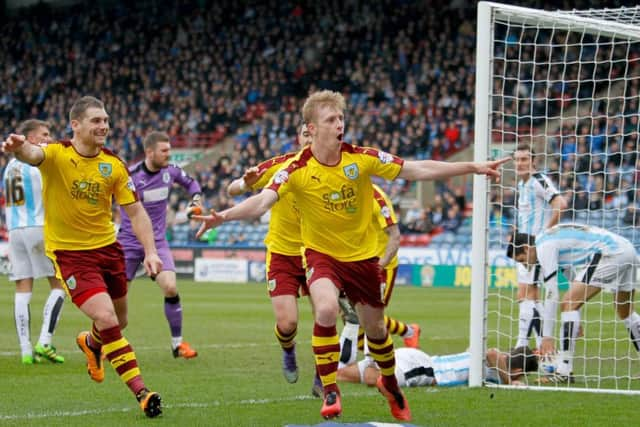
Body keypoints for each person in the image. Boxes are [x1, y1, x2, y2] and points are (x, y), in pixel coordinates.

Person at [194, 90, 507, 421]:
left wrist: (472, 166)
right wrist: (222, 217)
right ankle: (330, 389)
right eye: (331, 119)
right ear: (311, 129)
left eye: (341, 118)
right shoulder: (295, 168)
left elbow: (417, 170)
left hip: (362, 259)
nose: (339, 124)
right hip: (320, 256)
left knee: (376, 332)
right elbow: (261, 202)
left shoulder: (361, 158)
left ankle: (389, 383)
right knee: (326, 309)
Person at [2, 96, 164, 418]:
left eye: (105, 120)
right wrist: (19, 148)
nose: (103, 125)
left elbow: (135, 212)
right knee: (107, 319)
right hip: (71, 255)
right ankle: (142, 393)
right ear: (75, 124)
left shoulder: (113, 165)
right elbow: (33, 154)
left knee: (120, 321)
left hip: (108, 249)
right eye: (96, 121)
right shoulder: (56, 155)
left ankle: (91, 344)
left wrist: (151, 251)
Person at [226, 123, 312, 386]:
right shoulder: (280, 165)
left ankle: (325, 376)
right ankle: (288, 351)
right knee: (287, 324)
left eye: (313, 133)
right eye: (305, 134)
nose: (309, 139)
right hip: (282, 253)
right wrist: (244, 183)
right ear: (298, 138)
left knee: (327, 317)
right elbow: (232, 189)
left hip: (317, 253)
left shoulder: (336, 166)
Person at [508, 224, 640, 383]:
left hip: (610, 253)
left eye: (522, 260)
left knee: (568, 303)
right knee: (624, 312)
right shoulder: (550, 239)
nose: (525, 266)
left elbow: (552, 292)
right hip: (627, 249)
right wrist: (574, 318)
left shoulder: (543, 247)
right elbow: (573, 279)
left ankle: (564, 371)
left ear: (527, 248)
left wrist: (547, 337)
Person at [117, 131, 200, 359]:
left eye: (169, 150)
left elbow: (192, 184)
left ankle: (177, 344)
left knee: (171, 287)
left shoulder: (171, 171)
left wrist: (195, 202)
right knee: (118, 302)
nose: (168, 154)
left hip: (158, 242)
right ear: (149, 152)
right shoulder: (131, 176)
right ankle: (106, 344)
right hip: (129, 243)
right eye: (164, 151)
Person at [338, 184, 421, 375]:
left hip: (382, 265)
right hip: (356, 262)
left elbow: (394, 235)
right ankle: (409, 331)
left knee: (371, 317)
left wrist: (380, 265)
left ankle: (375, 361)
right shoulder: (342, 195)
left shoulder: (376, 197)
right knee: (351, 315)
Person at [2, 119, 66, 365]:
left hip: (15, 230)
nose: (49, 139)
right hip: (38, 228)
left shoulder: (9, 167)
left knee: (22, 288)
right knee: (59, 284)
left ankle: (26, 351)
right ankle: (45, 342)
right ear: (29, 139)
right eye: (44, 134)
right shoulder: (38, 164)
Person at [512, 143, 567, 350]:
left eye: (524, 159)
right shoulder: (521, 185)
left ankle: (524, 346)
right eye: (517, 160)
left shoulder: (539, 181)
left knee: (528, 295)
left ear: (533, 161)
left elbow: (560, 204)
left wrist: (543, 236)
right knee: (526, 297)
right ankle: (540, 346)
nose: (520, 163)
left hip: (535, 248)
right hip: (524, 248)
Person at [337, 345, 539, 387]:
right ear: (518, 371)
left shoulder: (492, 374)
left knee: (343, 374)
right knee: (380, 382)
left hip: (418, 361)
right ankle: (371, 339)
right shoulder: (498, 362)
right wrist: (510, 382)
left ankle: (326, 376)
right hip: (425, 368)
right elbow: (493, 354)